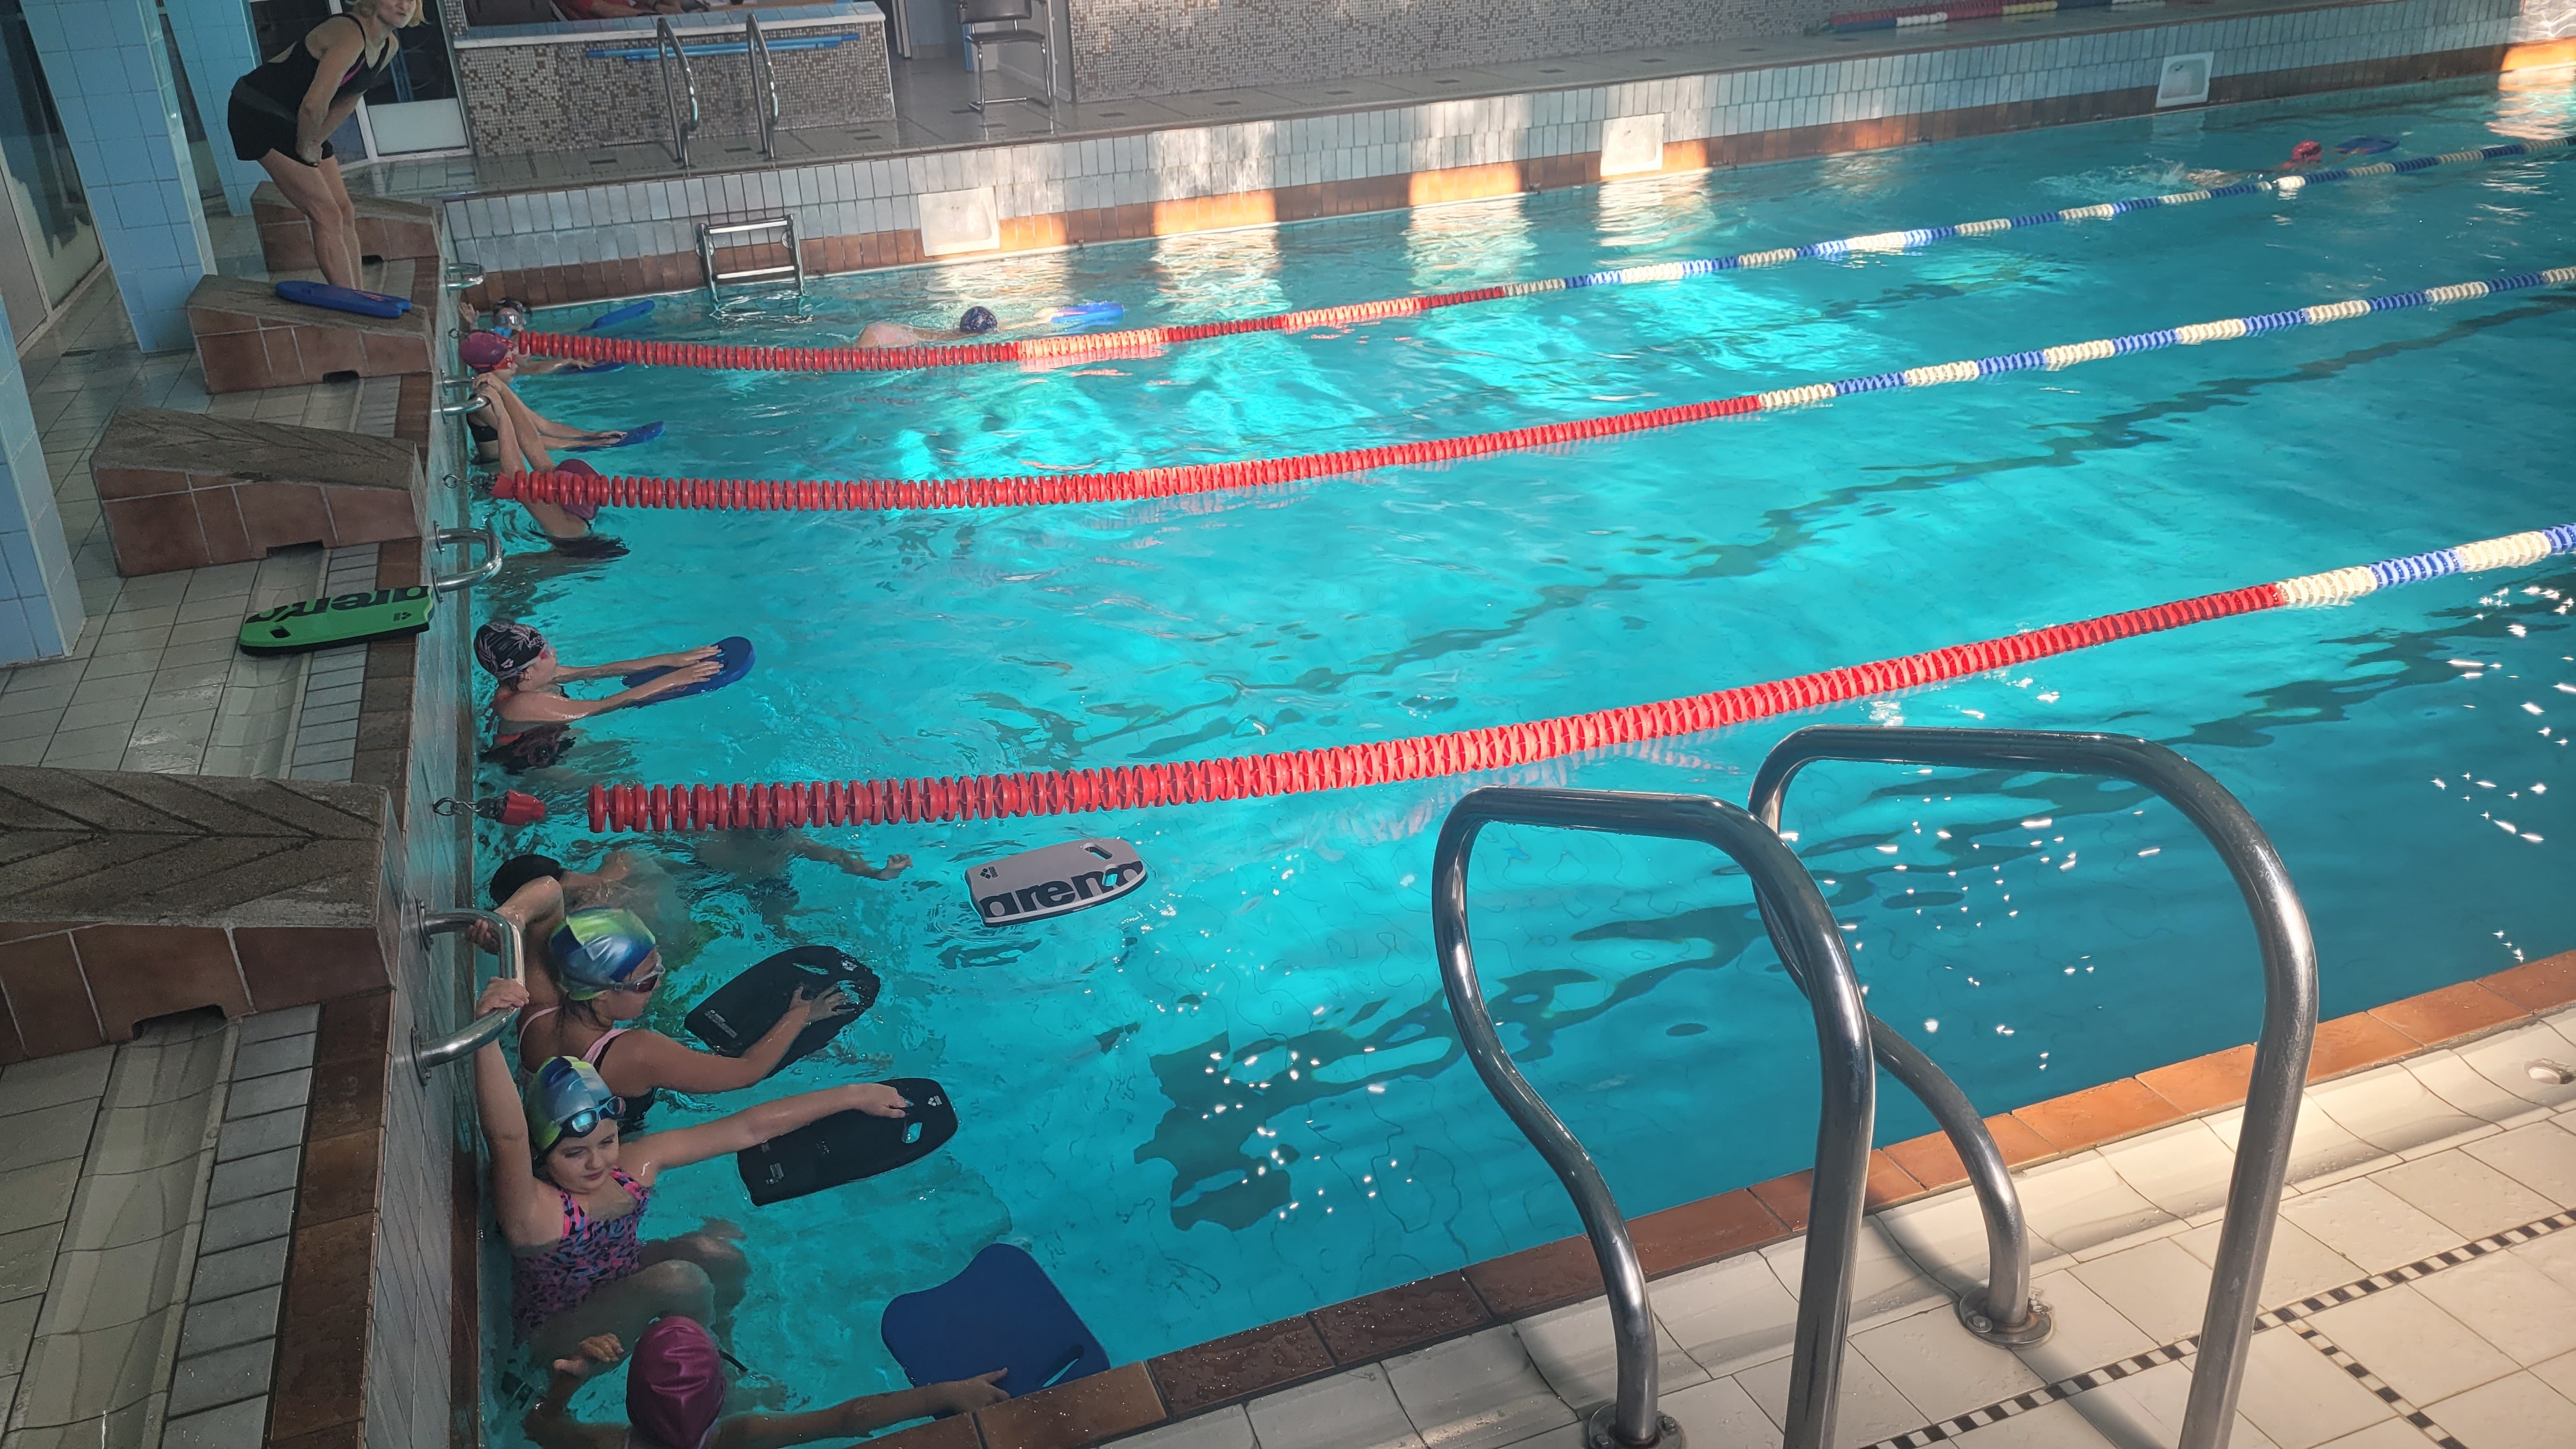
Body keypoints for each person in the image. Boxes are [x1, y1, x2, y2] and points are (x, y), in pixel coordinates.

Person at [473, 975, 913, 1363]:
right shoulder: (535, 1213)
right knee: (680, 1281)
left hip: (618, 1281)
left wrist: (855, 1094)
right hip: (557, 1330)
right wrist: (486, 1037)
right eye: (574, 1153)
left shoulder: (631, 1166)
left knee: (720, 1257)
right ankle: (707, 1364)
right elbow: (506, 1137)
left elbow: (747, 1127)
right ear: (543, 1153)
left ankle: (722, 1343)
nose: (596, 1163)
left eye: (606, 1142)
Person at [510, 905, 861, 1134]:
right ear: (601, 994)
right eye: (646, 981)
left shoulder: (535, 1005)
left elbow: (547, 894)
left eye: (658, 967)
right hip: (615, 1150)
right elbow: (747, 1072)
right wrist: (800, 1015)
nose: (658, 983)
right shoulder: (637, 1053)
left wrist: (512, 914)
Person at [526, 1322, 1006, 1449]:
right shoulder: (740, 1436)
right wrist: (946, 1393)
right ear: (719, 1398)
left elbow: (539, 1427)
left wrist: (569, 1380)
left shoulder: (608, 1443)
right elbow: (848, 1418)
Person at [226, 0, 417, 291]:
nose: (405, 5)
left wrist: (315, 142)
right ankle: (347, 301)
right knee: (326, 213)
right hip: (259, 108)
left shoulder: (388, 46)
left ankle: (357, 295)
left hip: (295, 115)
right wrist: (305, 147)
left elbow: (348, 100)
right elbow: (314, 105)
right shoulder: (349, 33)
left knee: (344, 210)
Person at [464, 331, 632, 557]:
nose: (549, 478)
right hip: (583, 542)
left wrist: (503, 415)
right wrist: (502, 391)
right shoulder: (565, 498)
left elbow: (516, 476)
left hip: (576, 554)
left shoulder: (567, 524)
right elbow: (533, 444)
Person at [477, 622, 722, 729]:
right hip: (534, 761)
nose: (554, 651)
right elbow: (602, 706)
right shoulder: (523, 703)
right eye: (546, 653)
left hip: (548, 734)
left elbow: (599, 671)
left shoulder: (530, 680)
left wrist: (670, 659)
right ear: (527, 673)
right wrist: (675, 679)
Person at [681, 832, 912, 935]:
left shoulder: (790, 841)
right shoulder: (709, 836)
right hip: (710, 873)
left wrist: (881, 873)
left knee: (780, 930)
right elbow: (666, 841)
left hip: (768, 884)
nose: (777, 833)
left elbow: (839, 856)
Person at [857, 307, 999, 349]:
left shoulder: (951, 333)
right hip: (882, 334)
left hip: (882, 329)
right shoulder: (961, 337)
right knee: (852, 355)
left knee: (851, 351)